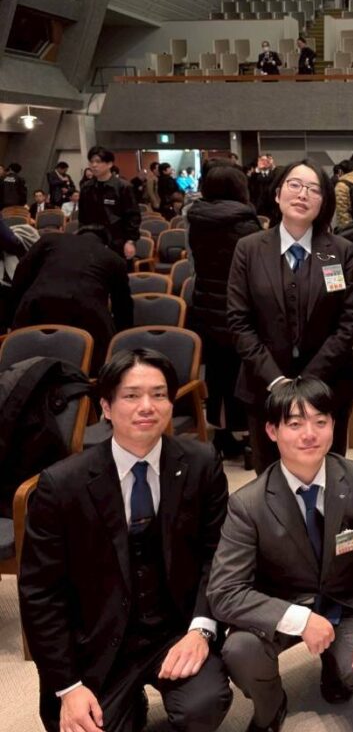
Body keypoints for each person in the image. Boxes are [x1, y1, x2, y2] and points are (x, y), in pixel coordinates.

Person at [18, 349, 233, 732]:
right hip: (98, 637)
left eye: (159, 394)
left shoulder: (201, 463)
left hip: (173, 628)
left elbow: (217, 556)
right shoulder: (62, 485)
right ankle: (126, 702)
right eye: (131, 395)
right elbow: (40, 593)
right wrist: (68, 687)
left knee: (204, 705)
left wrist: (201, 630)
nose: (147, 406)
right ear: (106, 406)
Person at [208, 378, 353, 732]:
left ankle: (335, 663)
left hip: (349, 599)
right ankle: (272, 703)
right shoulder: (248, 504)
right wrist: (298, 619)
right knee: (241, 650)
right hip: (282, 602)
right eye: (295, 424)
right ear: (272, 431)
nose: (309, 434)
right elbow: (224, 591)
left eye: (320, 421)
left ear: (333, 425)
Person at [227, 159, 353, 473]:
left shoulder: (340, 251)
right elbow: (238, 321)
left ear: (323, 201)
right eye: (295, 185)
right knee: (270, 478)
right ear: (277, 194)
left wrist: (308, 382)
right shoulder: (249, 249)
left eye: (314, 189)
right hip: (264, 386)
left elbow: (349, 320)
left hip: (328, 386)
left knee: (329, 475)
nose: (303, 194)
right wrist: (277, 381)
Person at [187, 160, 261, 458]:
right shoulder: (244, 223)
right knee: (243, 373)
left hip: (206, 305)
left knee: (217, 373)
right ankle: (245, 433)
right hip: (239, 307)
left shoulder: (197, 219)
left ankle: (221, 433)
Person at [6, 225, 133, 371]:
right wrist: (122, 342)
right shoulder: (114, 258)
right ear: (105, 244)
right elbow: (123, 307)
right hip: (89, 321)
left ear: (75, 234)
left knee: (19, 366)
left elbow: (21, 275)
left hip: (35, 309)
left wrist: (11, 318)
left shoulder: (49, 240)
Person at [79, 146, 140, 259]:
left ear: (109, 164)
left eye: (98, 161)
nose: (94, 165)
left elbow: (133, 217)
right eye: (91, 161)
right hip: (92, 240)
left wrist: (130, 241)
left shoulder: (123, 187)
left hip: (117, 240)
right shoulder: (86, 188)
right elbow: (82, 217)